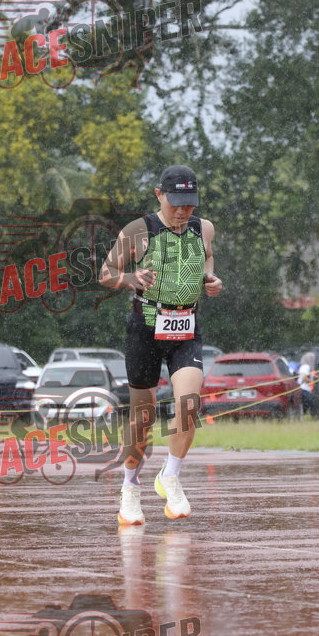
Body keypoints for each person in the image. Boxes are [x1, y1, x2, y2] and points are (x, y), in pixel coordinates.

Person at [99, 165, 222, 525]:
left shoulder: (204, 228)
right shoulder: (139, 230)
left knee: (189, 403)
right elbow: (105, 273)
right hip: (146, 327)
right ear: (159, 195)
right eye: (175, 203)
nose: (182, 211)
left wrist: (210, 278)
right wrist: (129, 277)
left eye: (189, 204)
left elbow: (208, 257)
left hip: (186, 327)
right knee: (143, 416)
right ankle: (130, 486)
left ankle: (170, 475)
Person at [298, 351, 317, 417]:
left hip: (306, 389)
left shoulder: (309, 367)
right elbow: (304, 377)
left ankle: (307, 415)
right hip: (303, 389)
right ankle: (313, 416)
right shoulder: (305, 367)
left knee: (308, 403)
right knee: (311, 402)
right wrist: (311, 381)